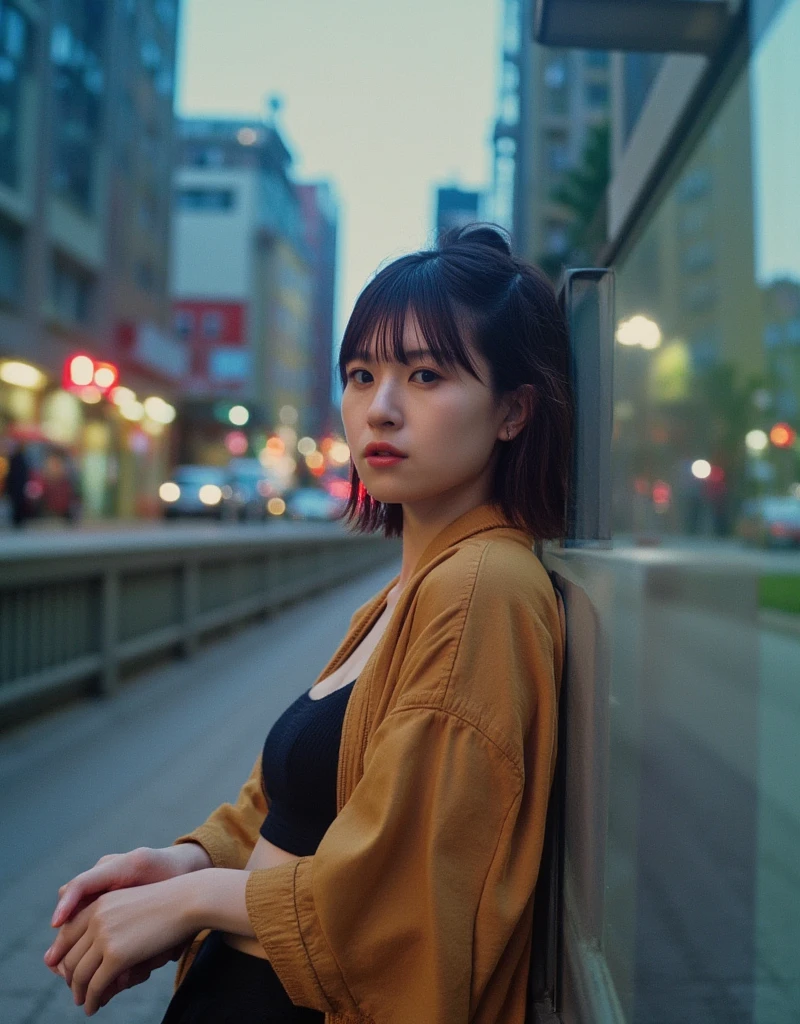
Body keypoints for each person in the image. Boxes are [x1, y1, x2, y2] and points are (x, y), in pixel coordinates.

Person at [43, 224, 572, 1022]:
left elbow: (409, 906)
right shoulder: (403, 594)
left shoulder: (481, 591)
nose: (380, 410)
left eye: (425, 376)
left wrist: (197, 900)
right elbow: (297, 807)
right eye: (361, 375)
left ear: (512, 411)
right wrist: (182, 860)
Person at [4, 441, 31, 528]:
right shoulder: (21, 459)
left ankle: (17, 520)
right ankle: (18, 520)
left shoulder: (14, 459)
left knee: (17, 503)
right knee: (18, 503)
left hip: (16, 486)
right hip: (19, 486)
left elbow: (10, 474)